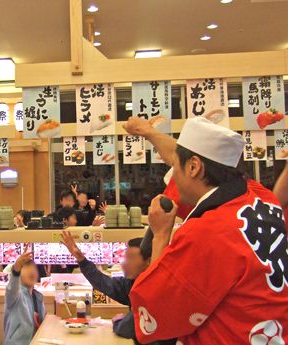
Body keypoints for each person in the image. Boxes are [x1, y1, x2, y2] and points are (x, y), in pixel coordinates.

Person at [123, 116, 288, 344]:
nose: (174, 173)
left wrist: (160, 235)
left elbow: (156, 314)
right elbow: (185, 154)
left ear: (193, 167)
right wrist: (149, 131)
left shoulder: (207, 232)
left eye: (175, 165)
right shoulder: (262, 197)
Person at [4, 244, 45, 345]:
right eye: (26, 268)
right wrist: (17, 266)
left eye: (34, 269)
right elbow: (12, 287)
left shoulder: (38, 297)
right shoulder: (15, 295)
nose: (32, 271)